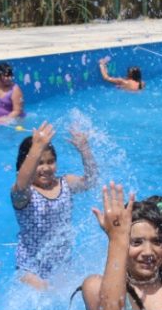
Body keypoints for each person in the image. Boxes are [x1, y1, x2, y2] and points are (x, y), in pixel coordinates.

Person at [11, 122, 97, 288]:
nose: (46, 168)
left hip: (61, 266)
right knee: (45, 292)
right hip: (30, 269)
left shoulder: (66, 183)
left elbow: (91, 181)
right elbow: (21, 184)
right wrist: (36, 148)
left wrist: (85, 151)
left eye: (50, 162)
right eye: (39, 163)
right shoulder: (25, 194)